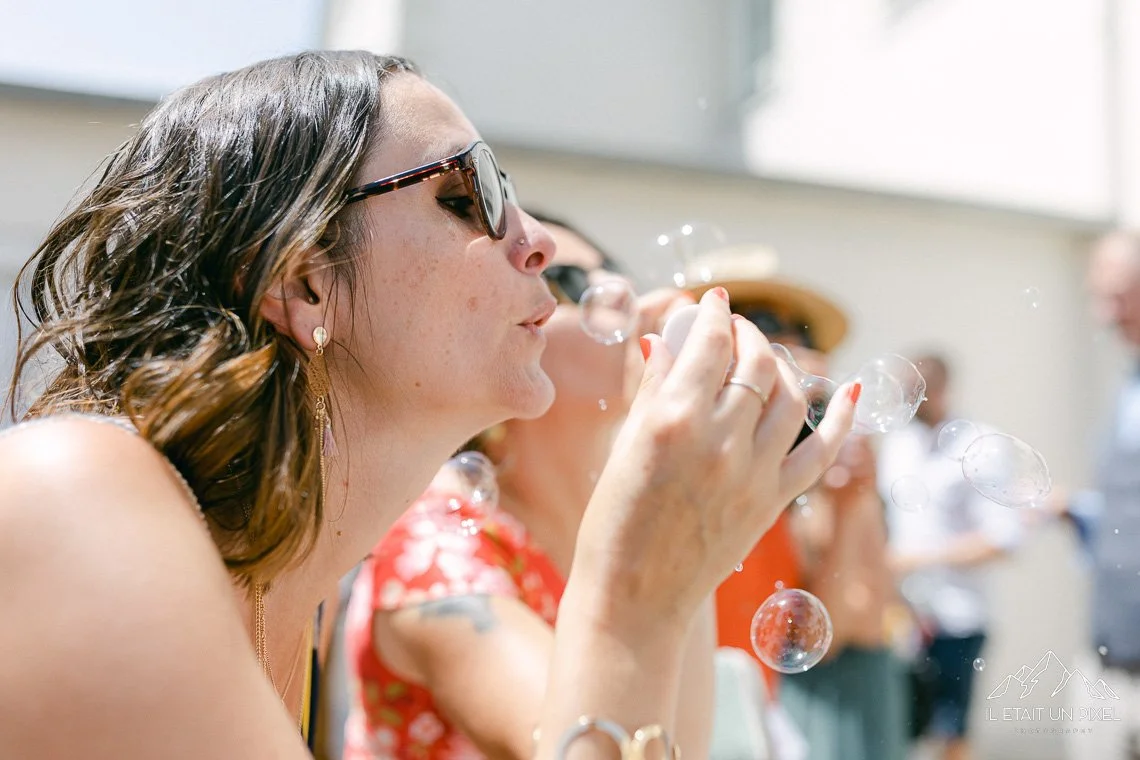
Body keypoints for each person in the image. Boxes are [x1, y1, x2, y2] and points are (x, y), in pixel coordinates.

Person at [0, 50, 861, 759]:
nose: (540, 243)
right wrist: (634, 590)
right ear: (304, 280)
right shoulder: (76, 495)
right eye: (468, 195)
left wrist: (684, 561)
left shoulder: (295, 604)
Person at [342, 214, 715, 759]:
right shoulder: (433, 544)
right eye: (568, 284)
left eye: (612, 274)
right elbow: (588, 746)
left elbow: (677, 746)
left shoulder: (601, 528)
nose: (621, 299)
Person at [688, 246, 905, 760]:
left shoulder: (800, 487)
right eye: (759, 324)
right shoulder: (671, 464)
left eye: (797, 333)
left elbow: (852, 620)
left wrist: (854, 499)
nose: (788, 350)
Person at [877, 353, 1022, 760]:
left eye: (917, 395)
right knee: (901, 728)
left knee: (949, 732)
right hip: (903, 617)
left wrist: (916, 560)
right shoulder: (898, 444)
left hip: (958, 617)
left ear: (941, 390)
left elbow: (1002, 538)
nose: (910, 404)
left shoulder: (980, 445)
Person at [1057, 230, 1140, 760]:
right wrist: (1079, 510)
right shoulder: (1127, 382)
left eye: (1113, 289)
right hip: (1110, 650)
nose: (1100, 309)